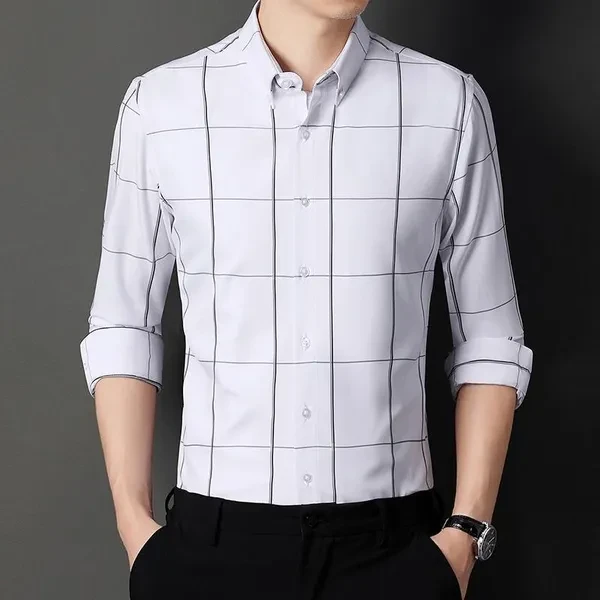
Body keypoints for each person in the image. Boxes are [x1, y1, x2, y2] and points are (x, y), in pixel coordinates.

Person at [78, 0, 533, 598]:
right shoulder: (162, 107)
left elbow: (491, 338)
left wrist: (465, 535)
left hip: (395, 552)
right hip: (210, 551)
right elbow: (124, 326)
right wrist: (135, 529)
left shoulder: (449, 105)